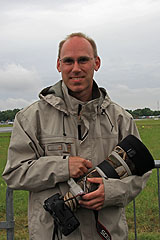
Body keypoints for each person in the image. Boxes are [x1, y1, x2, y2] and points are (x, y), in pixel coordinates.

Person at [2, 32, 151, 240]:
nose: (76, 68)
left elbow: (142, 172)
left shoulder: (121, 119)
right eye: (68, 61)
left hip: (107, 234)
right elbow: (15, 173)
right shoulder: (30, 118)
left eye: (83, 60)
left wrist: (111, 192)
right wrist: (63, 167)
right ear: (58, 65)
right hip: (54, 234)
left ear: (96, 63)